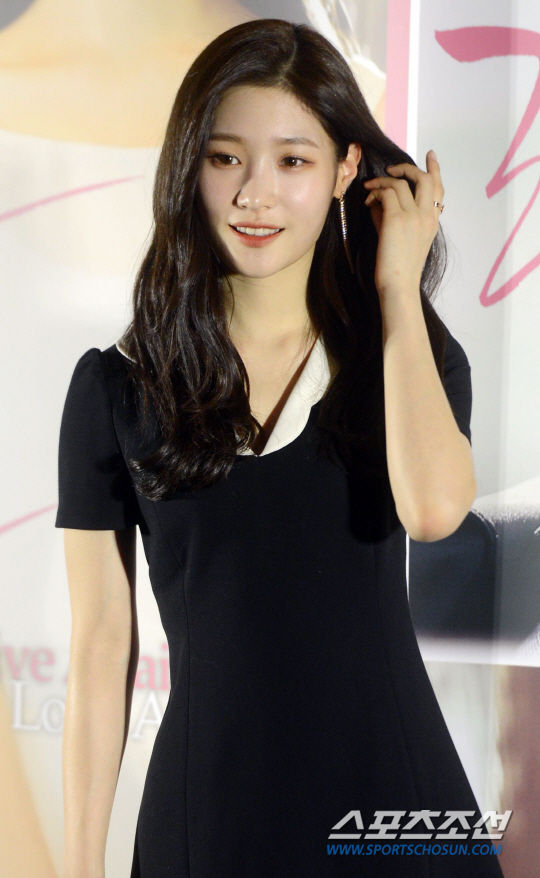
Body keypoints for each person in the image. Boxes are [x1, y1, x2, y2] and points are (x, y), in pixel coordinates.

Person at [55, 19, 506, 878]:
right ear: (188, 166)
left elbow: (434, 511)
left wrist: (396, 290)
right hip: (210, 817)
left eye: (293, 161)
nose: (255, 195)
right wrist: (78, 864)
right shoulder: (117, 386)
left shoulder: (406, 357)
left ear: (345, 169)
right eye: (226, 158)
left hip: (392, 811)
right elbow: (102, 645)